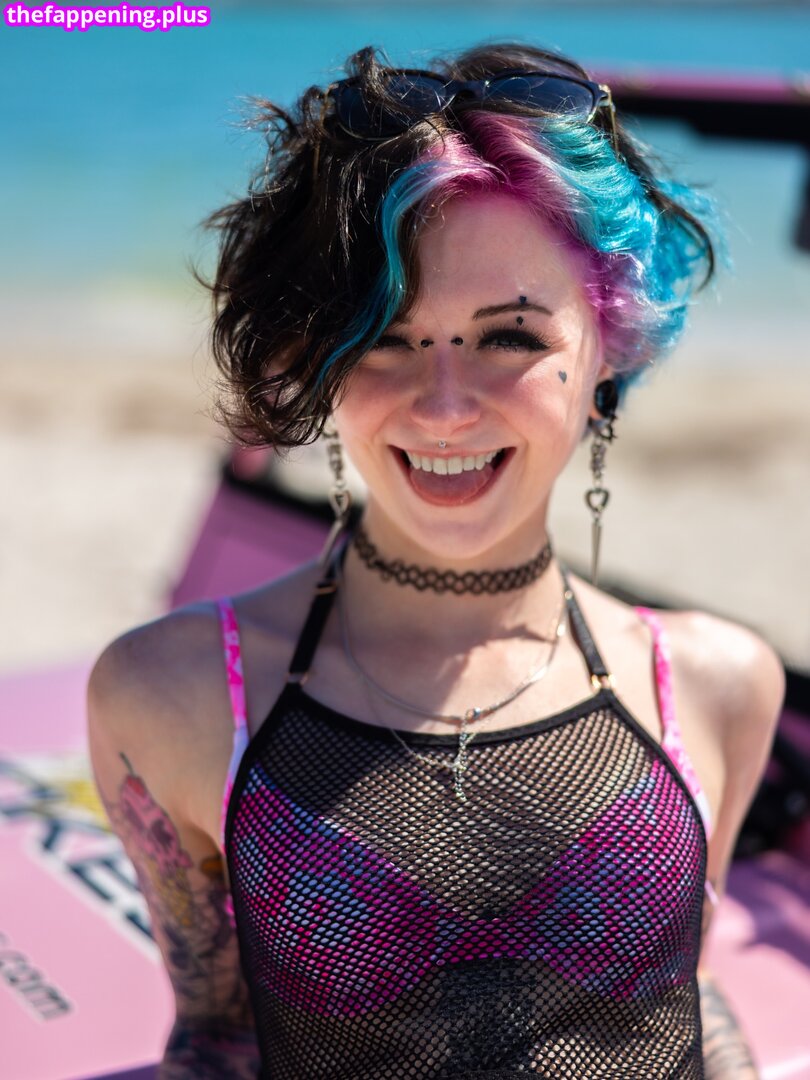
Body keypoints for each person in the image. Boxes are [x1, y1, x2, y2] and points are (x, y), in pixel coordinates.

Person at [87, 42, 785, 1079]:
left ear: (607, 352)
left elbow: (680, 990)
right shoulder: (170, 696)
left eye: (509, 338)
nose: (445, 406)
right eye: (384, 335)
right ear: (319, 361)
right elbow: (218, 1036)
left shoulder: (717, 686)